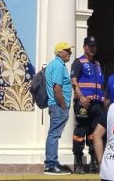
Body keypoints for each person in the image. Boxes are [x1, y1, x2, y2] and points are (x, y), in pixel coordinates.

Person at [71, 36, 105, 174]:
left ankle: (93, 162)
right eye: (90, 46)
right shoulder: (78, 62)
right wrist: (81, 97)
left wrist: (103, 100)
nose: (92, 49)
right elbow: (74, 81)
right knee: (81, 131)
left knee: (94, 133)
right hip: (83, 103)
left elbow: (101, 84)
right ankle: (78, 162)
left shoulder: (97, 64)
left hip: (97, 104)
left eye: (94, 46)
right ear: (84, 47)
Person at [44, 42, 75, 176]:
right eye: (67, 50)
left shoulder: (55, 64)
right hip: (58, 106)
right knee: (54, 134)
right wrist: (63, 106)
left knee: (54, 134)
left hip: (56, 105)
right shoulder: (58, 65)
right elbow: (57, 88)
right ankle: (51, 165)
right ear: (60, 52)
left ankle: (53, 163)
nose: (70, 53)